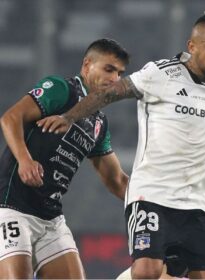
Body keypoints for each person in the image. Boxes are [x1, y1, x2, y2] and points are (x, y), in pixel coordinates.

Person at [37, 11, 205, 279]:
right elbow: (110, 93)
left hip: (198, 206)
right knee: (147, 271)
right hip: (152, 196)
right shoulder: (160, 74)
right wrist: (70, 116)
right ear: (192, 47)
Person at [0, 38, 130, 278]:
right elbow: (10, 118)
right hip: (12, 207)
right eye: (108, 69)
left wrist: (157, 202)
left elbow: (117, 181)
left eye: (120, 73)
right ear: (87, 65)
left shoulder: (99, 122)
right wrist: (25, 160)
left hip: (51, 218)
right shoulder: (62, 89)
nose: (114, 79)